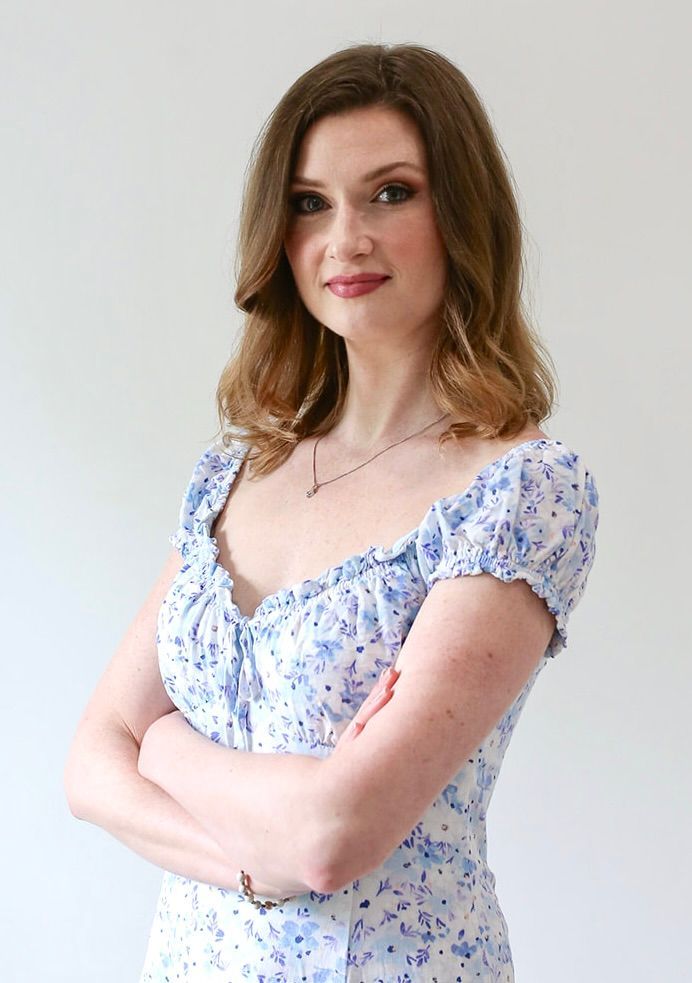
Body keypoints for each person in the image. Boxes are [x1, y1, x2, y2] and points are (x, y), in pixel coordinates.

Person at [64, 41, 600, 982]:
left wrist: (166, 744)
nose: (345, 239)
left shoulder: (519, 493)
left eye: (391, 193)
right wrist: (258, 859)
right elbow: (88, 766)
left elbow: (331, 838)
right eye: (310, 203)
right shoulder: (237, 472)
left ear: (462, 213)